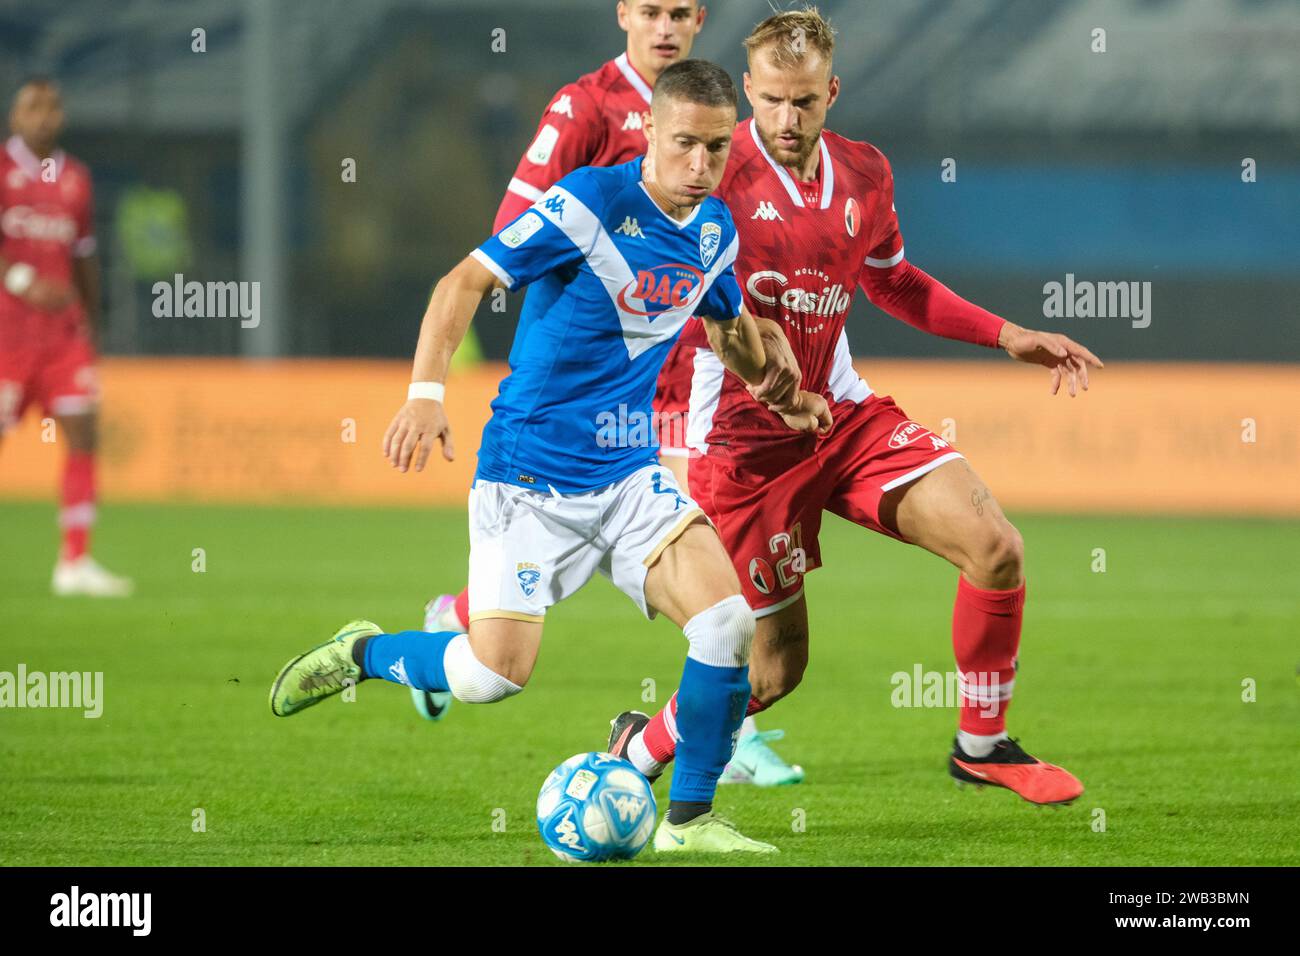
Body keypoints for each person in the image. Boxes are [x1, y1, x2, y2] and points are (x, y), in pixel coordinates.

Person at [268, 59, 827, 853]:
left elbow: (726, 327)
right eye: (683, 145)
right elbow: (461, 283)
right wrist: (426, 395)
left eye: (716, 147)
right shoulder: (589, 203)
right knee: (489, 678)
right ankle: (363, 653)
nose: (700, 166)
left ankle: (689, 823)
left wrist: (782, 393)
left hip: (630, 475)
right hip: (528, 478)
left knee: (727, 622)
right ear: (651, 133)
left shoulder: (714, 231)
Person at [608, 8, 1102, 805]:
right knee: (772, 671)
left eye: (803, 101)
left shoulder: (865, 174)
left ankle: (983, 743)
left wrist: (1006, 333)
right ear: (746, 96)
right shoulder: (710, 181)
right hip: (742, 450)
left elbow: (895, 280)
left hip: (841, 416)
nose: (786, 119)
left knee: (995, 544)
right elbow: (658, 285)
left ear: (831, 92)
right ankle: (639, 750)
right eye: (769, 101)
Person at [0, 76, 132, 597]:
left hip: (61, 338)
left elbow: (84, 254)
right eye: (32, 107)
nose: (44, 116)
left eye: (52, 107)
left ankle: (73, 561)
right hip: (7, 336)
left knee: (83, 431)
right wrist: (22, 280)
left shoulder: (75, 177)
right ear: (15, 117)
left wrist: (93, 325)